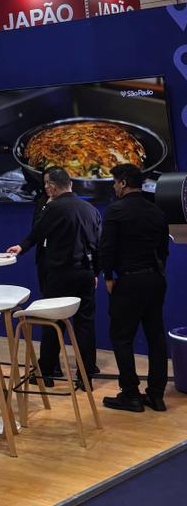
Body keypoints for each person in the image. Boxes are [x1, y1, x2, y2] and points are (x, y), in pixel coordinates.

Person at [7, 167, 101, 389]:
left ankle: (47, 371)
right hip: (86, 273)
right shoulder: (90, 209)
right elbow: (98, 245)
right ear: (71, 184)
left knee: (51, 322)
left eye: (47, 184)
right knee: (85, 325)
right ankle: (86, 376)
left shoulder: (53, 208)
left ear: (52, 187)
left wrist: (22, 247)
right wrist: (96, 272)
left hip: (60, 273)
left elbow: (38, 233)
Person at [100, 164, 170, 413]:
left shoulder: (116, 210)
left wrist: (108, 276)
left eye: (115, 183)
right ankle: (156, 396)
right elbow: (163, 250)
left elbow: (107, 247)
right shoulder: (157, 211)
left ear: (123, 183)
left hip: (129, 281)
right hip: (155, 280)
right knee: (156, 338)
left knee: (122, 338)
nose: (114, 187)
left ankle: (130, 395)